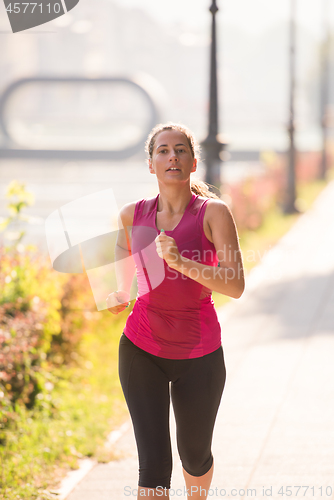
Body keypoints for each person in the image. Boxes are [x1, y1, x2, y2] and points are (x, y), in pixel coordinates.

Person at [106, 123, 245, 499]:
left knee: (195, 456)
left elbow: (235, 285)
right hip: (141, 347)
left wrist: (182, 262)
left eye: (180, 150)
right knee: (153, 464)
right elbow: (123, 254)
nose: (172, 157)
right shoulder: (131, 214)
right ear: (151, 164)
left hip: (199, 354)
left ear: (193, 162)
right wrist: (121, 292)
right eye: (163, 151)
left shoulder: (213, 213)